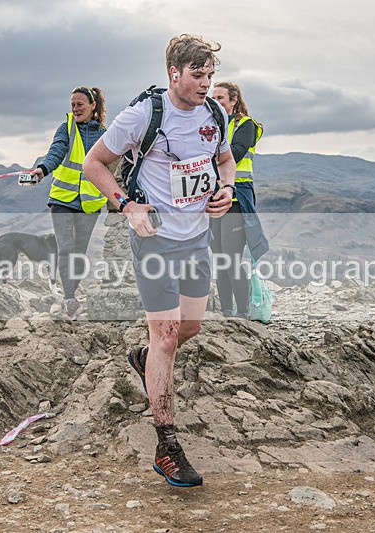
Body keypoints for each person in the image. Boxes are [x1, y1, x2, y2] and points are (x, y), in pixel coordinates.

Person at [83, 34, 236, 487]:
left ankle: (146, 361)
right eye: (197, 75)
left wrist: (225, 190)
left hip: (196, 239)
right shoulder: (143, 115)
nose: (206, 84)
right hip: (155, 240)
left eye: (210, 75)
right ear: (174, 73)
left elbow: (224, 161)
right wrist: (127, 205)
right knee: (167, 335)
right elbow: (95, 164)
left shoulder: (216, 113)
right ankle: (167, 445)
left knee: (190, 328)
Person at [30, 86, 108, 320]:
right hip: (62, 199)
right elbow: (57, 151)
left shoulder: (103, 133)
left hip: (89, 203)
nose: (75, 109)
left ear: (92, 106)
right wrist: (43, 169)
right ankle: (69, 298)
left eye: (80, 104)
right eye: (72, 105)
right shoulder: (66, 128)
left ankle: (71, 291)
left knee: (79, 252)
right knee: (65, 248)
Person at [210, 82, 268, 318]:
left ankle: (242, 313)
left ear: (234, 100)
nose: (215, 102)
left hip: (236, 199)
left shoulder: (246, 125)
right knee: (220, 259)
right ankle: (226, 311)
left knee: (232, 258)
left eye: (220, 97)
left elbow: (233, 155)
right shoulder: (209, 126)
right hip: (213, 199)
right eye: (213, 97)